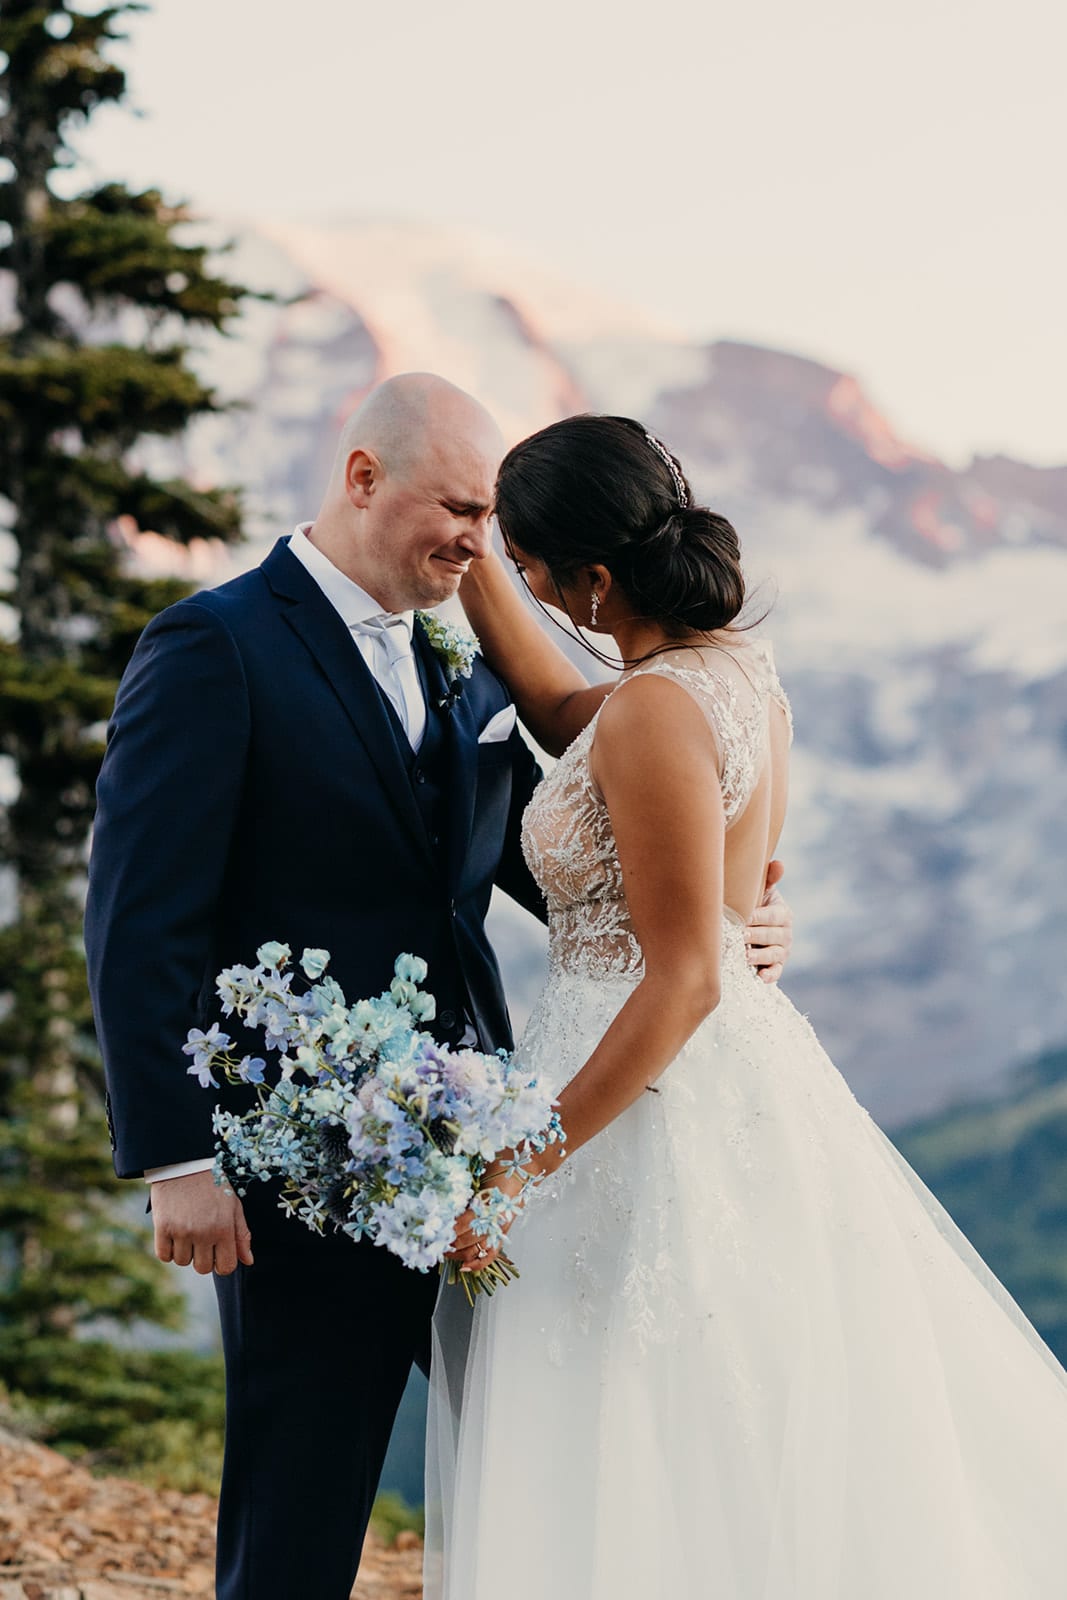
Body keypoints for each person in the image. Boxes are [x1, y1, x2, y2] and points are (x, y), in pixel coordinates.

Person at [83, 376, 792, 1600]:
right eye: (459, 510)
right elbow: (138, 916)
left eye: (491, 520)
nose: (481, 547)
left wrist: (731, 928)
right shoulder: (215, 646)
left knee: (550, 1469)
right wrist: (176, 1156)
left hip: (490, 1148)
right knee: (302, 1498)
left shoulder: (460, 660)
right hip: (302, 1161)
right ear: (362, 478)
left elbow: (566, 865)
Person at [426, 414, 1067, 1598]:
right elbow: (570, 716)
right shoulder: (725, 673)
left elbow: (685, 973)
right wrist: (474, 572)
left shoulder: (656, 707)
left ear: (594, 578)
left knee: (636, 1424)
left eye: (526, 564)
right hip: (722, 1081)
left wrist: (520, 1162)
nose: (522, 584)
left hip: (643, 1095)